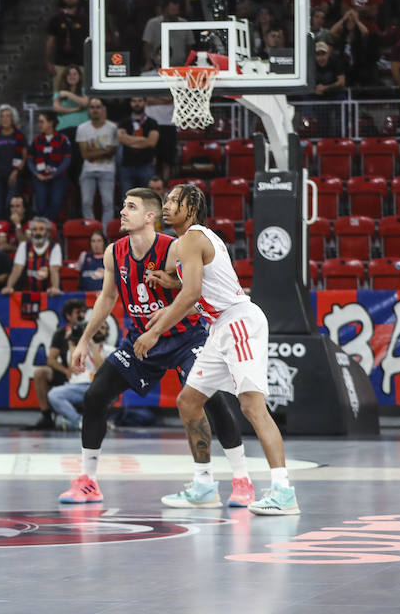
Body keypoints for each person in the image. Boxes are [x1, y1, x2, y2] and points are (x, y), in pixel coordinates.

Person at [61, 188, 252, 508]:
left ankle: (240, 480)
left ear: (149, 217)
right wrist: (84, 340)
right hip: (140, 339)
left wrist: (170, 298)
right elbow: (107, 298)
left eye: (131, 207)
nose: (122, 212)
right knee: (96, 396)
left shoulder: (175, 248)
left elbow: (200, 296)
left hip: (184, 338)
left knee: (212, 401)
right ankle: (88, 482)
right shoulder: (114, 252)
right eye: (122, 205)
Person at [143, 184, 299, 516]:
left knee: (252, 406)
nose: (167, 206)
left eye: (174, 201)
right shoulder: (191, 242)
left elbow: (191, 294)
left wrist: (156, 330)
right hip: (219, 326)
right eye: (166, 201)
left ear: (192, 207)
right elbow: (197, 293)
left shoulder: (192, 238)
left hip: (238, 321)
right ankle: (203, 485)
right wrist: (173, 287)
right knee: (188, 401)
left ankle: (284, 491)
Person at [27, 297, 84, 430]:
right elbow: (51, 359)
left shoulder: (90, 330)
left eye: (83, 312)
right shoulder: (60, 334)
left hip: (86, 372)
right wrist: (66, 371)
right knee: (40, 372)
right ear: (68, 316)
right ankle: (46, 415)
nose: (81, 316)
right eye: (77, 313)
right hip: (68, 371)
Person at [47, 317, 113, 428]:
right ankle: (80, 422)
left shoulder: (110, 349)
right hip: (76, 386)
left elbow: (101, 368)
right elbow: (74, 370)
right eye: (97, 327)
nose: (99, 330)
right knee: (53, 394)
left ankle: (79, 422)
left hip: (98, 385)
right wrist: (72, 346)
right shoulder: (79, 348)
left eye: (102, 328)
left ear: (106, 332)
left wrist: (91, 344)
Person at [76, 98, 117, 222]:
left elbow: (111, 152)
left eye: (98, 107)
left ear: (103, 109)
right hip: (88, 170)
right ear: (88, 110)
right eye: (92, 107)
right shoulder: (82, 128)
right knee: (86, 203)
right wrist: (104, 150)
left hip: (107, 170)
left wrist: (92, 151)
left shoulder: (112, 128)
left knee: (108, 204)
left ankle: (105, 233)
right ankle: (92, 230)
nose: (95, 110)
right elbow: (85, 155)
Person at [28, 109, 72, 220]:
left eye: (42, 121)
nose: (39, 124)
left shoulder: (62, 139)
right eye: (39, 122)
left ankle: (47, 224)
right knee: (40, 205)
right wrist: (36, 173)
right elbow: (30, 160)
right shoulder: (36, 140)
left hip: (58, 177)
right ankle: (43, 224)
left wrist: (54, 174)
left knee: (56, 203)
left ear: (51, 123)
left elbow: (66, 160)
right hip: (40, 177)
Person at [2, 216, 61, 294]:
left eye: (41, 229)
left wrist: (55, 288)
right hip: (27, 293)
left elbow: (54, 270)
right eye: (34, 229)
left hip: (48, 293)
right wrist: (9, 287)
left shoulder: (55, 247)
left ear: (48, 232)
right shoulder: (24, 246)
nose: (37, 233)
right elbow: (17, 269)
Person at [0, 104, 25, 214]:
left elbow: (23, 156)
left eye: (8, 116)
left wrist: (16, 172)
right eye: (2, 116)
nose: (5, 119)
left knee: (10, 205)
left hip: (14, 176)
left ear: (12, 118)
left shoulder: (19, 136)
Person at [117, 96, 160, 196]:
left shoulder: (152, 122)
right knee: (127, 199)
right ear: (130, 103)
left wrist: (129, 140)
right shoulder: (124, 122)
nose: (137, 103)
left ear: (145, 102)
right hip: (127, 166)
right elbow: (120, 139)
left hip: (146, 165)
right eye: (134, 101)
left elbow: (152, 142)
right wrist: (142, 139)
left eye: (140, 101)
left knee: (147, 199)